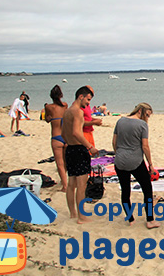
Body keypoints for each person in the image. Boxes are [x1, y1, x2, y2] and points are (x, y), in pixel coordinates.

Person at [113, 102, 160, 229]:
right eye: (147, 115)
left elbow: (114, 142)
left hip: (120, 160)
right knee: (147, 189)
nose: (147, 118)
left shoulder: (120, 121)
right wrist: (150, 164)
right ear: (140, 111)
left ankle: (130, 218)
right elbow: (145, 146)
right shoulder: (142, 125)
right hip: (135, 161)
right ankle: (150, 220)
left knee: (125, 190)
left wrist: (119, 155)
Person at [62, 86, 99, 224]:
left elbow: (63, 134)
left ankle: (73, 213)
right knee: (81, 185)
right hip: (78, 149)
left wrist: (69, 143)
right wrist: (90, 147)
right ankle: (81, 217)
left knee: (71, 183)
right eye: (88, 100)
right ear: (81, 97)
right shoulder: (77, 112)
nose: (88, 103)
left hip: (70, 149)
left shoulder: (67, 112)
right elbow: (76, 133)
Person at [44, 85, 69, 191]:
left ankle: (65, 185)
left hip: (56, 137)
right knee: (66, 161)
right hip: (66, 136)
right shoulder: (65, 105)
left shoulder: (49, 107)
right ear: (61, 95)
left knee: (59, 163)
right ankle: (65, 180)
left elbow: (47, 119)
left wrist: (49, 118)